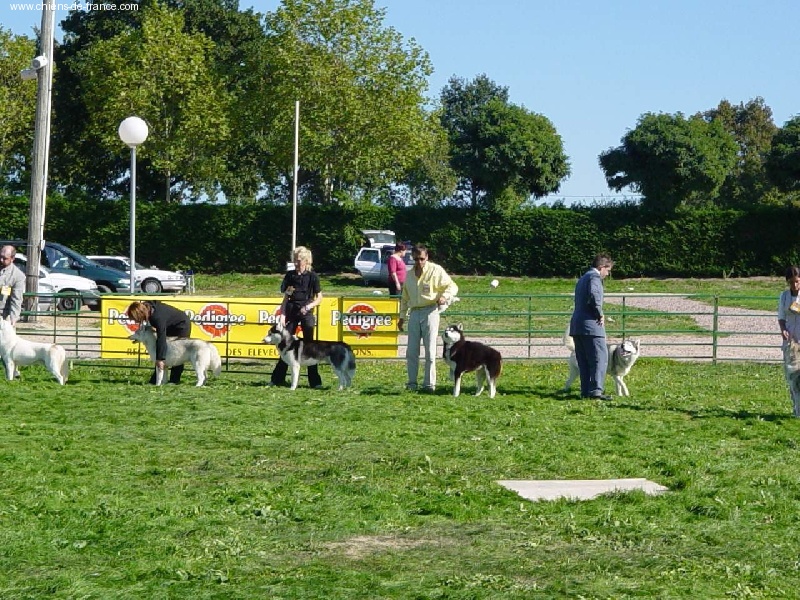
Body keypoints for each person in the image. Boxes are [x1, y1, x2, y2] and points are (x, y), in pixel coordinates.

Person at [398, 244, 458, 392]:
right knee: (411, 351)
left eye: (422, 259)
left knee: (430, 351)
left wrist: (445, 296)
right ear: (412, 258)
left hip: (430, 311)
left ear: (427, 257)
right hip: (414, 313)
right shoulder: (409, 274)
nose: (419, 262)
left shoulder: (436, 270)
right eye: (416, 259)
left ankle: (429, 385)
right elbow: (405, 298)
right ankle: (412, 383)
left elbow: (452, 286)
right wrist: (402, 317)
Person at [269, 246, 323, 388]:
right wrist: (283, 314)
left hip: (306, 312)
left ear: (306, 260)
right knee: (285, 344)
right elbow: (286, 297)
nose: (297, 263)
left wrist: (309, 307)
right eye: (295, 260)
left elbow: (319, 298)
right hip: (292, 312)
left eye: (299, 260)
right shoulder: (291, 276)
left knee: (310, 347)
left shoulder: (312, 277)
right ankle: (277, 379)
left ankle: (315, 382)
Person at [569, 253, 614, 399]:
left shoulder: (582, 278)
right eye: (608, 270)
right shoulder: (594, 278)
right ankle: (596, 391)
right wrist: (599, 313)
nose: (608, 274)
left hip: (577, 325)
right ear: (601, 267)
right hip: (591, 326)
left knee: (584, 360)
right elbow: (594, 296)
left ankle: (585, 391)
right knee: (599, 358)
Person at [126, 300, 192, 384]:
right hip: (169, 325)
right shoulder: (147, 307)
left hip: (182, 325)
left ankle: (174, 380)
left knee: (178, 352)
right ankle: (158, 379)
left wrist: (160, 359)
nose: (135, 321)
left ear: (140, 314)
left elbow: (161, 338)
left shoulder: (157, 317)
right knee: (162, 353)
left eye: (136, 319)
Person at [778, 265, 800, 416]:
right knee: (792, 378)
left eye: (797, 281)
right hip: (790, 342)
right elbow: (781, 317)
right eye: (791, 282)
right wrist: (783, 329)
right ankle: (796, 409)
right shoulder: (784, 296)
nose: (795, 285)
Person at [0, 245, 26, 325]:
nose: (1, 260)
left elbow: (16, 299)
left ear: (12, 259)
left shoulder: (18, 276)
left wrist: (13, 319)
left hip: (2, 316)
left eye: (5, 258)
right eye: (0, 256)